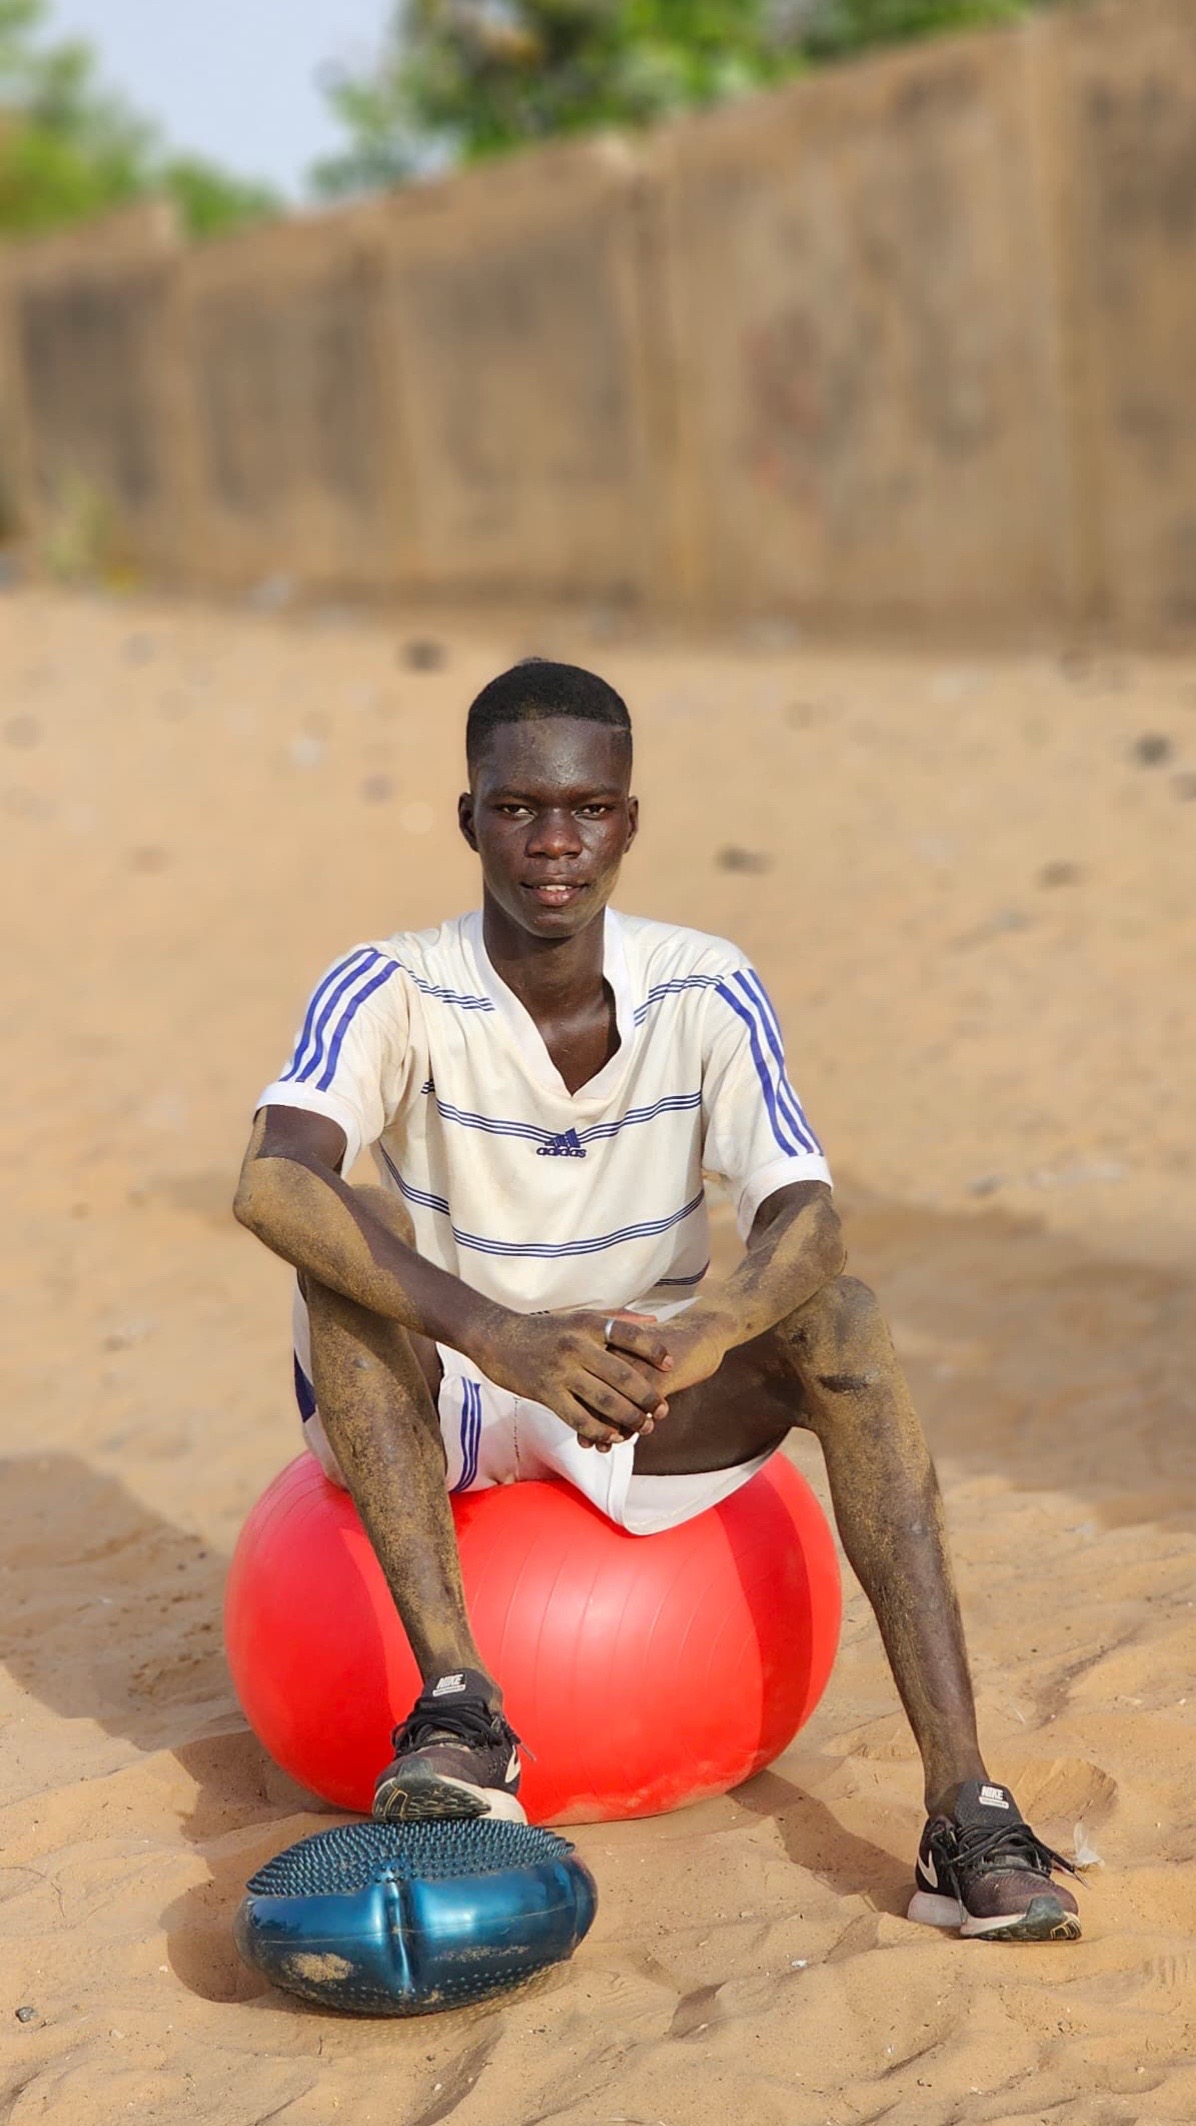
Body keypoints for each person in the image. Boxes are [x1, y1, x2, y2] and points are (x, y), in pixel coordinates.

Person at [234, 659, 1080, 1946]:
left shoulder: (703, 981)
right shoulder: (389, 981)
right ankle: (460, 1704)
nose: (553, 842)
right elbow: (270, 1179)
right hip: (442, 1387)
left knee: (844, 1315)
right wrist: (499, 1335)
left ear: (628, 821)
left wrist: (708, 1331)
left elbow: (806, 1213)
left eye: (586, 808)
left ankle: (964, 1810)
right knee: (345, 1229)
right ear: (469, 819)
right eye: (517, 808)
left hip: (635, 1393)